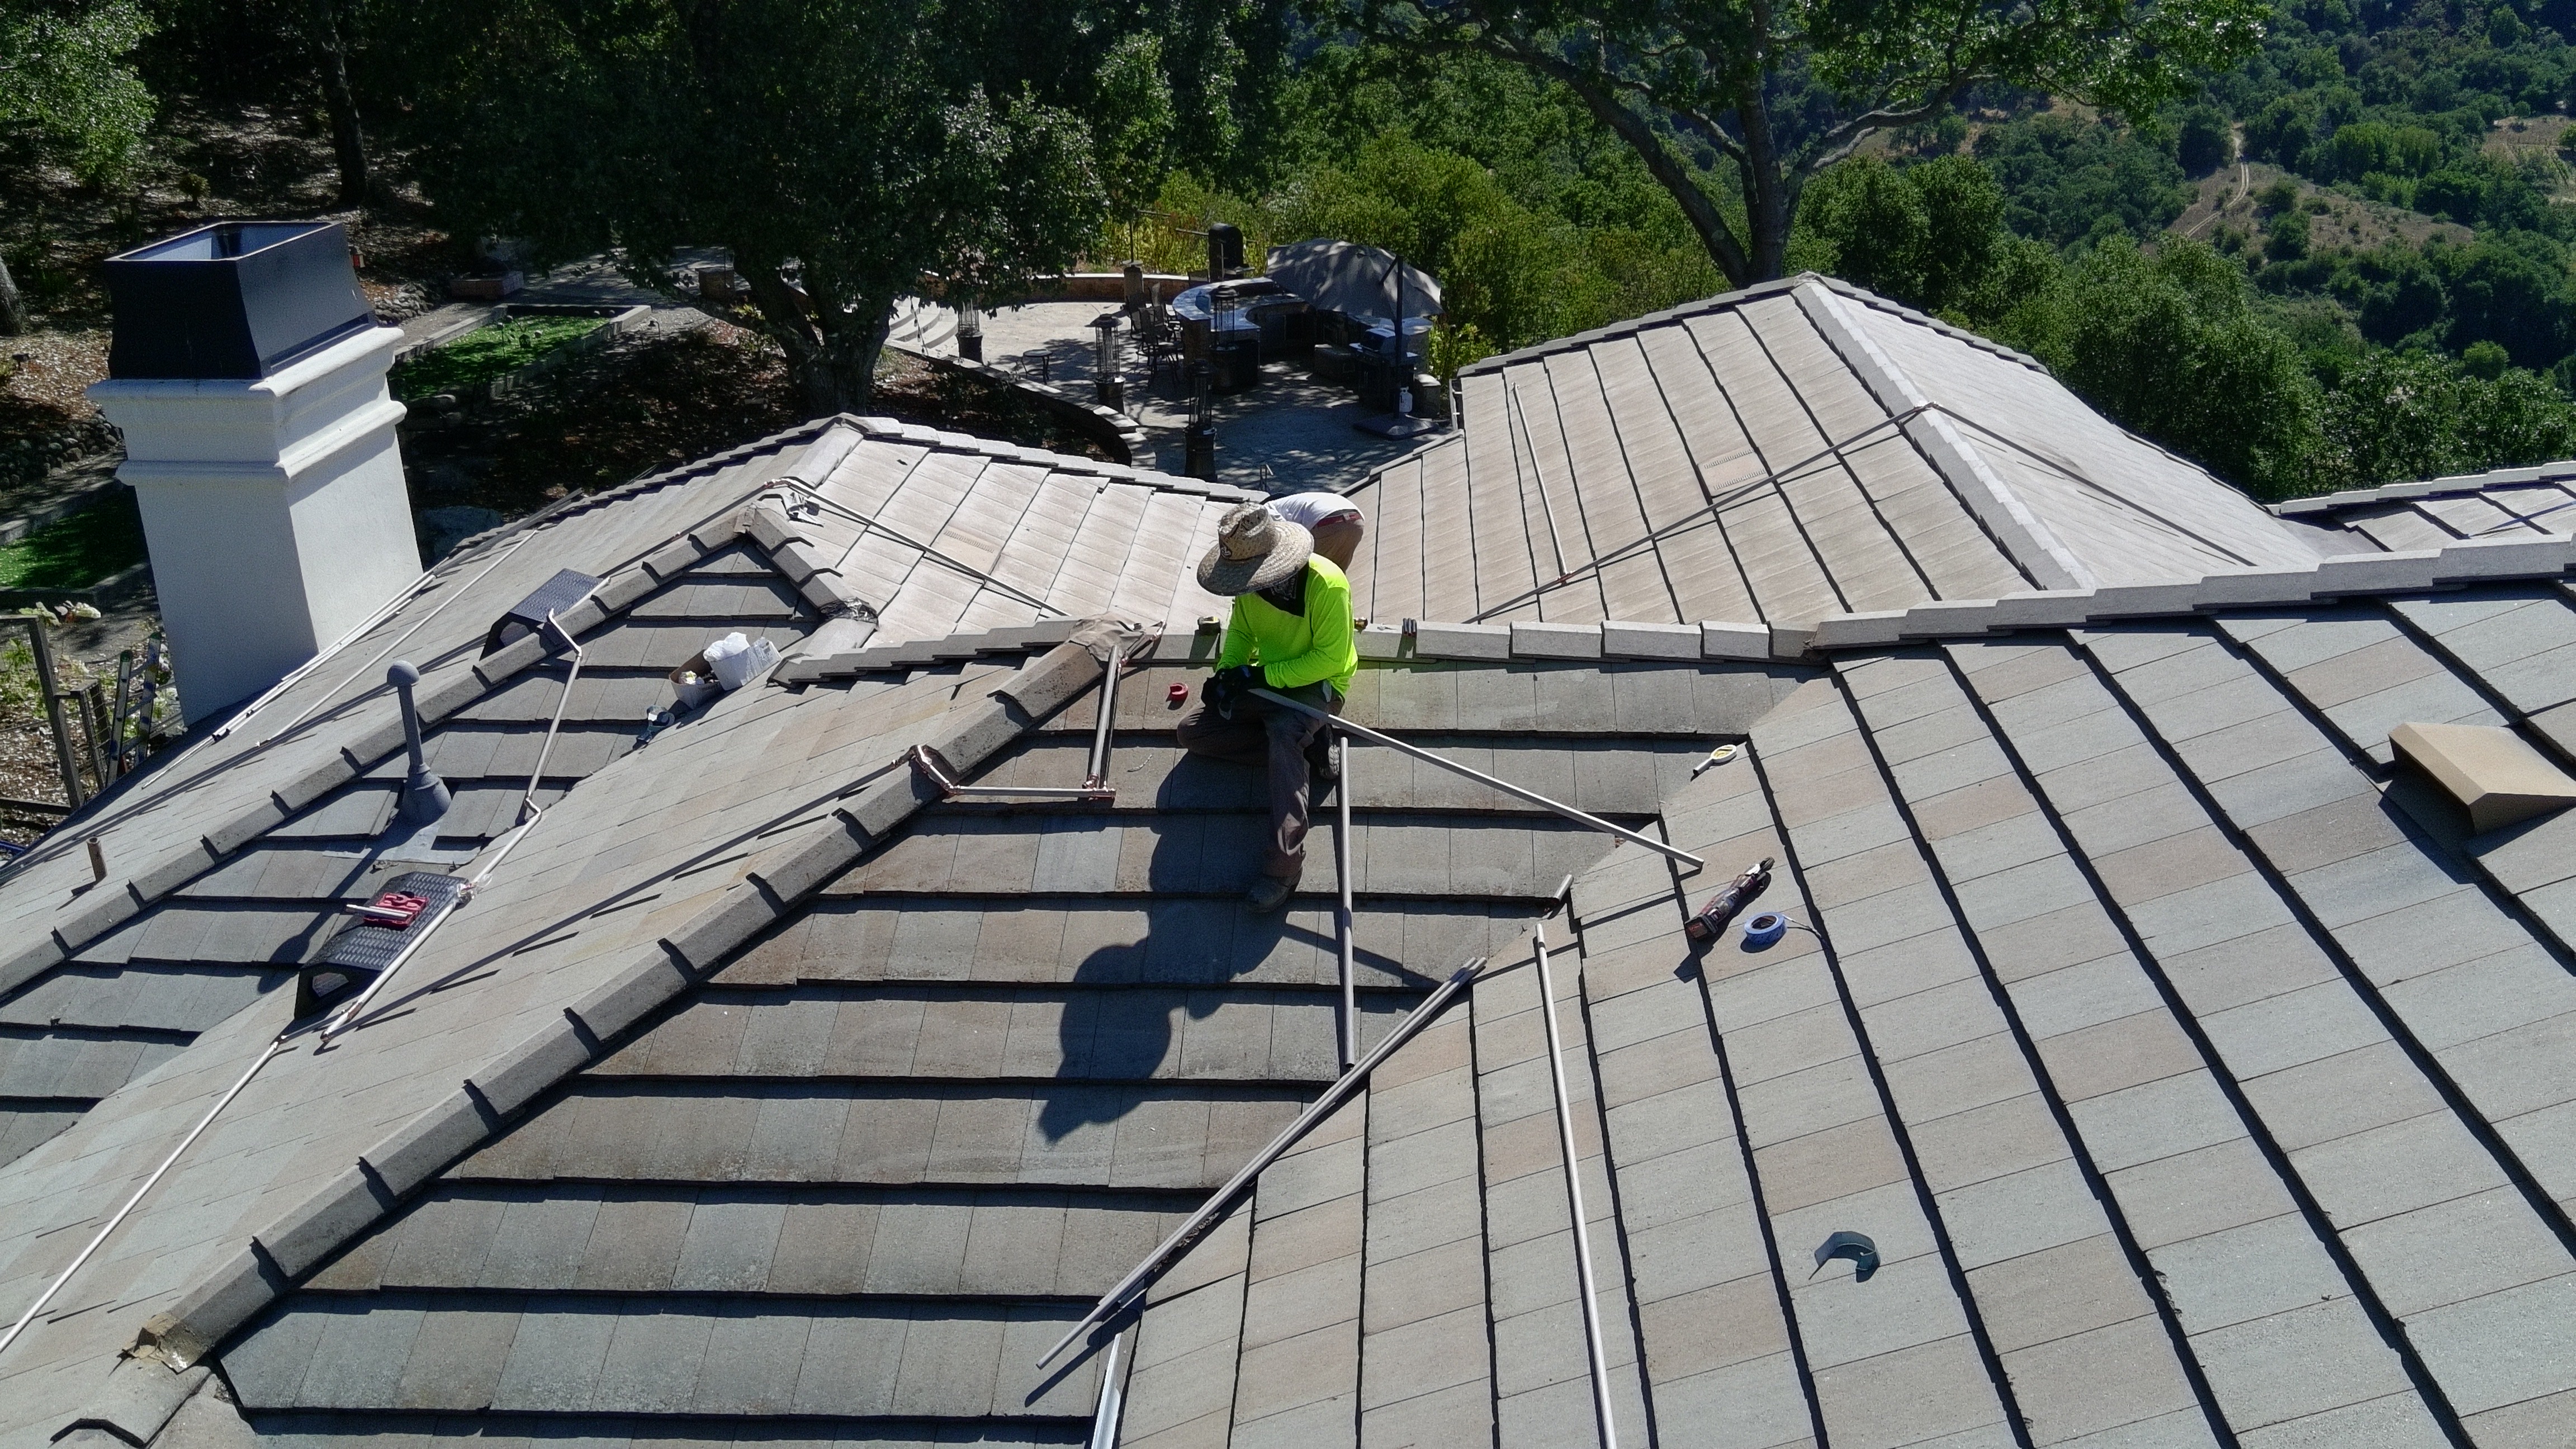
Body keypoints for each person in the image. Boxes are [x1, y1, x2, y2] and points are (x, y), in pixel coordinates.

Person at [1176, 502, 1360, 912]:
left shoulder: (1327, 585)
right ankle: (1305, 756)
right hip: (1269, 679)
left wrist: (1262, 679)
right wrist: (1225, 675)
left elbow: (1331, 659)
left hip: (1320, 685)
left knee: (1283, 733)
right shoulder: (1248, 585)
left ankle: (1284, 866)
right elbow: (1242, 633)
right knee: (1194, 731)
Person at [1265, 490, 1365, 573]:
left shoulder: (1267, 508)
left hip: (1329, 522)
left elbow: (1289, 536)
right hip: (1357, 521)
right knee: (1337, 574)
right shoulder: (1299, 501)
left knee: (1315, 575)